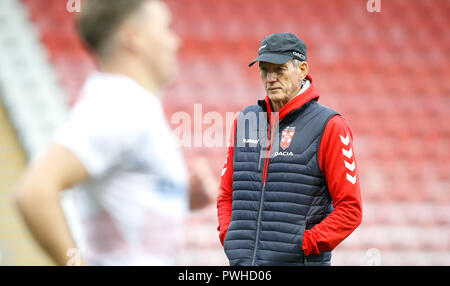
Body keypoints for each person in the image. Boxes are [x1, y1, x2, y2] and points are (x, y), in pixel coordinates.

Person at [14, 0, 198, 266]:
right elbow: (34, 192)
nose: (175, 42)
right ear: (132, 36)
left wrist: (179, 196)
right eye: (166, 28)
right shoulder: (117, 106)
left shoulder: (131, 106)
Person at [217, 32, 363, 266]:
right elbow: (226, 195)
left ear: (302, 69)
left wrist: (304, 245)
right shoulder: (245, 120)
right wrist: (230, 237)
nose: (270, 78)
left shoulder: (330, 125)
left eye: (280, 69)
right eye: (265, 69)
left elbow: (350, 210)